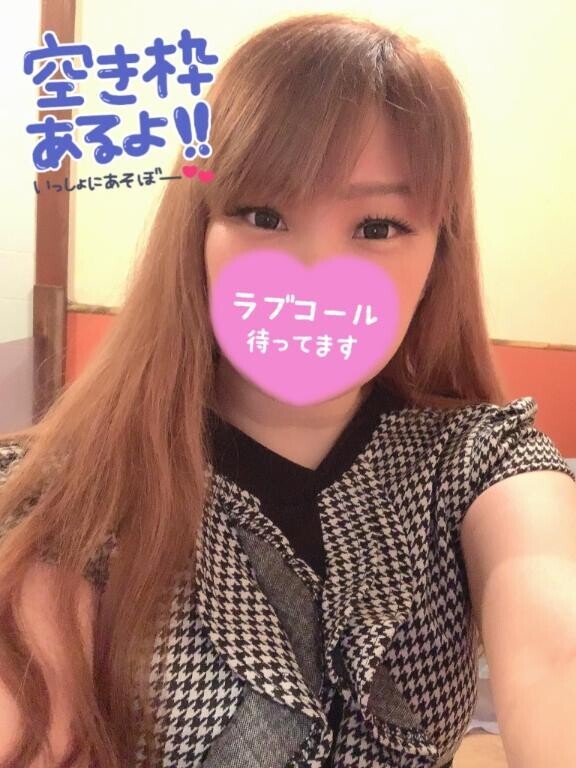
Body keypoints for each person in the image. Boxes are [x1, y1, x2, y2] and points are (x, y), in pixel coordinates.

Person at [0, 12, 574, 768]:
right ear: (199, 231)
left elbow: (556, 645)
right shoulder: (72, 491)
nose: (313, 273)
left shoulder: (479, 460)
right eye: (263, 214)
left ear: (440, 252)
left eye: (378, 226)